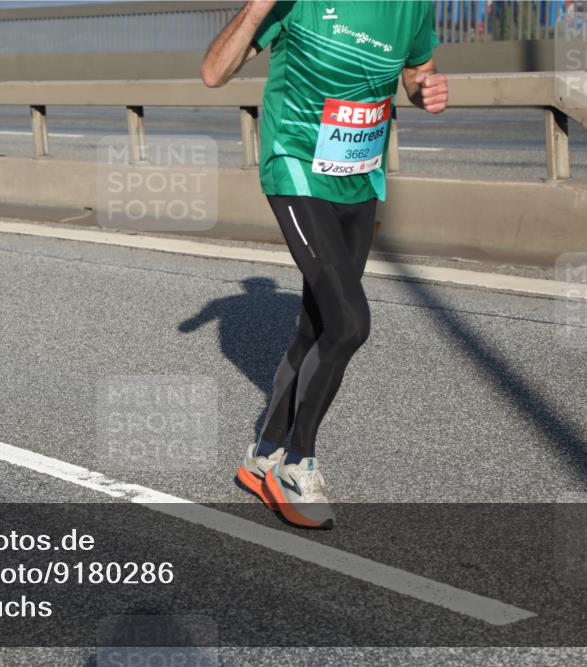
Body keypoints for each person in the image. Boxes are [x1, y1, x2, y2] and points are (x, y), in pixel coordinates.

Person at [201, 1, 448, 528]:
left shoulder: (413, 5)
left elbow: (416, 68)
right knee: (349, 324)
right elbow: (214, 73)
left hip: (359, 176)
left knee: (317, 324)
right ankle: (294, 464)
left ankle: (261, 454)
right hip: (295, 167)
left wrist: (425, 89)